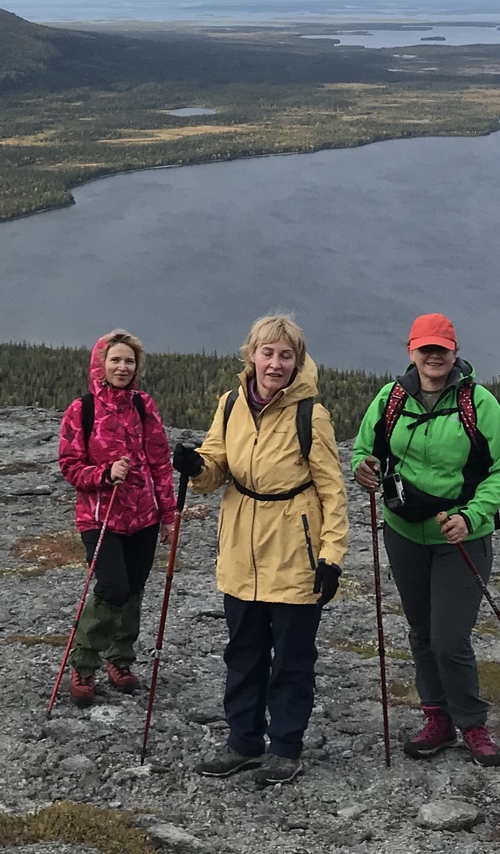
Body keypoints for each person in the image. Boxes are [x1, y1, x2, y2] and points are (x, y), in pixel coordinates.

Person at [171, 314, 348, 786]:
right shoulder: (230, 405)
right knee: (243, 651)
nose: (275, 363)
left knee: (291, 658)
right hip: (240, 548)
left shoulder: (312, 414)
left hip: (295, 550)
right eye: (267, 353)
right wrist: (195, 467)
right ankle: (243, 743)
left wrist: (332, 556)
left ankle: (286, 748)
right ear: (251, 355)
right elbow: (216, 468)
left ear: (297, 362)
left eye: (285, 355)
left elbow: (332, 491)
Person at [351, 312, 500, 765]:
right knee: (423, 632)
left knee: (449, 638)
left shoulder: (479, 403)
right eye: (425, 347)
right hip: (404, 532)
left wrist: (471, 515)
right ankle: (436, 719)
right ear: (412, 351)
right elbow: (364, 449)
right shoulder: (390, 399)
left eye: (441, 348)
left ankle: (472, 723)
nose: (433, 355)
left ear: (454, 352)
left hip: (462, 536)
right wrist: (363, 467)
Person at [56, 330, 177, 704]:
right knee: (112, 587)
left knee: (135, 587)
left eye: (129, 361)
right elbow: (70, 466)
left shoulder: (144, 406)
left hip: (144, 517)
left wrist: (169, 515)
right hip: (99, 517)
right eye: (115, 360)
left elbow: (160, 462)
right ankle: (84, 663)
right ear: (100, 364)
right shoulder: (82, 409)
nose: (122, 367)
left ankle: (120, 659)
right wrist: (104, 475)